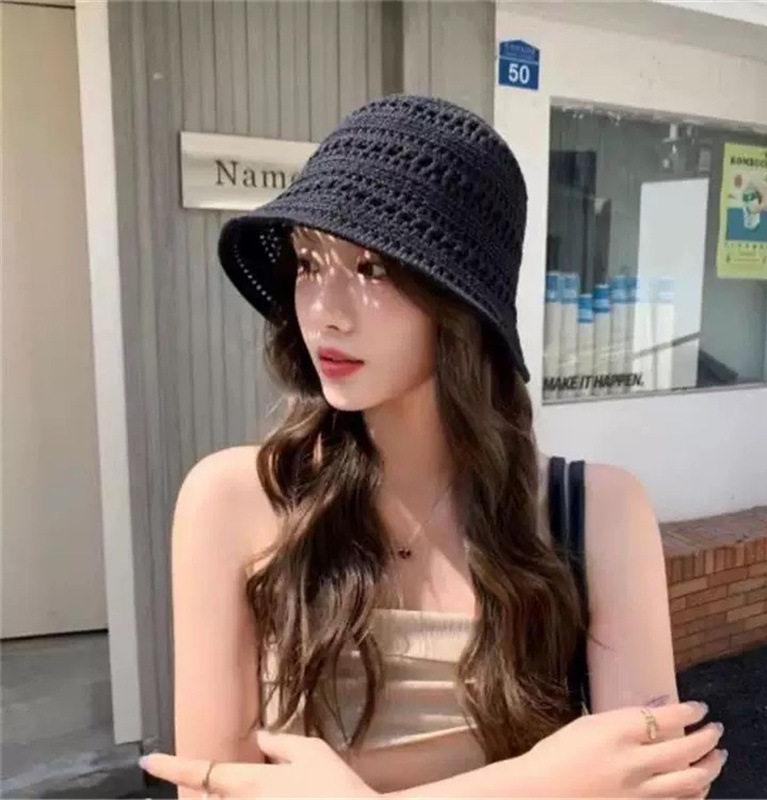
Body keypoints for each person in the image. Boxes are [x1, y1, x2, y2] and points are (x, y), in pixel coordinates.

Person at [149, 94, 727, 798]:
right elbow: (208, 792)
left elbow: (656, 787)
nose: (324, 312)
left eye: (371, 270)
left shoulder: (593, 511)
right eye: (307, 264)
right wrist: (542, 783)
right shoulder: (236, 500)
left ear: (461, 300)